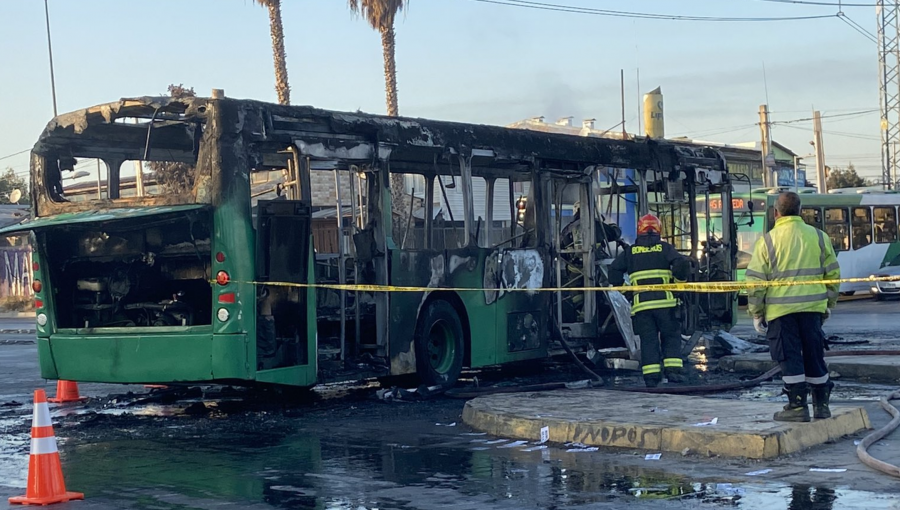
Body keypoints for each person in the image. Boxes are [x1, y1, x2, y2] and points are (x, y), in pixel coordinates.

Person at [745, 191, 840, 422]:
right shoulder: (818, 236)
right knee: (814, 356)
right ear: (800, 211)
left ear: (776, 213)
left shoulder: (768, 241)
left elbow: (756, 282)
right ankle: (821, 407)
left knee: (790, 358)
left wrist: (756, 313)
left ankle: (797, 407)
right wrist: (827, 304)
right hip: (812, 310)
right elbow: (833, 275)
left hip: (781, 312)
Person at [609, 214, 691, 387]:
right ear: (658, 229)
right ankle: (674, 373)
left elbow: (613, 273)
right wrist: (678, 286)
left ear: (639, 230)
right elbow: (682, 265)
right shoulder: (665, 249)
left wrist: (628, 293)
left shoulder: (630, 252)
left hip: (642, 307)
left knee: (649, 341)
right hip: (666, 305)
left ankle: (652, 378)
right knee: (670, 338)